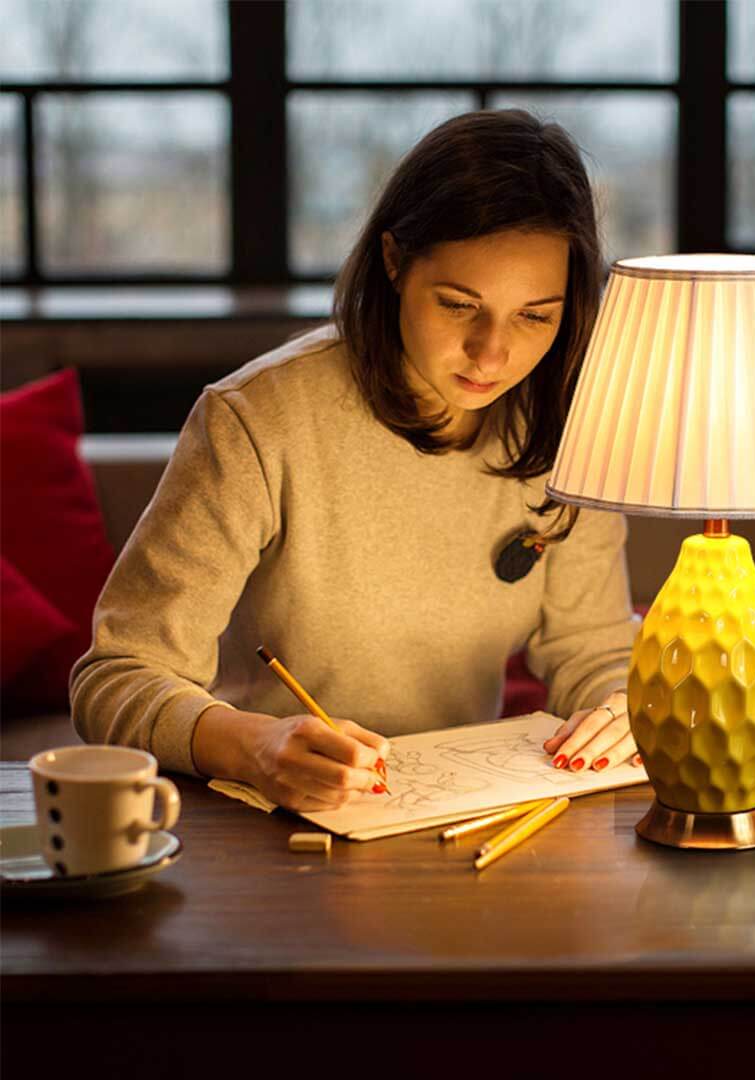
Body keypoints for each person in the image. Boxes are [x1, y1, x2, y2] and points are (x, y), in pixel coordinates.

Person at [70, 109, 640, 813]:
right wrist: (254, 746)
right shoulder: (257, 417)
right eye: (460, 304)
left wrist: (621, 710)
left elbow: (594, 647)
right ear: (394, 261)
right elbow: (118, 675)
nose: (492, 354)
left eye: (535, 315)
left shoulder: (567, 427)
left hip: (462, 810)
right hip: (271, 820)